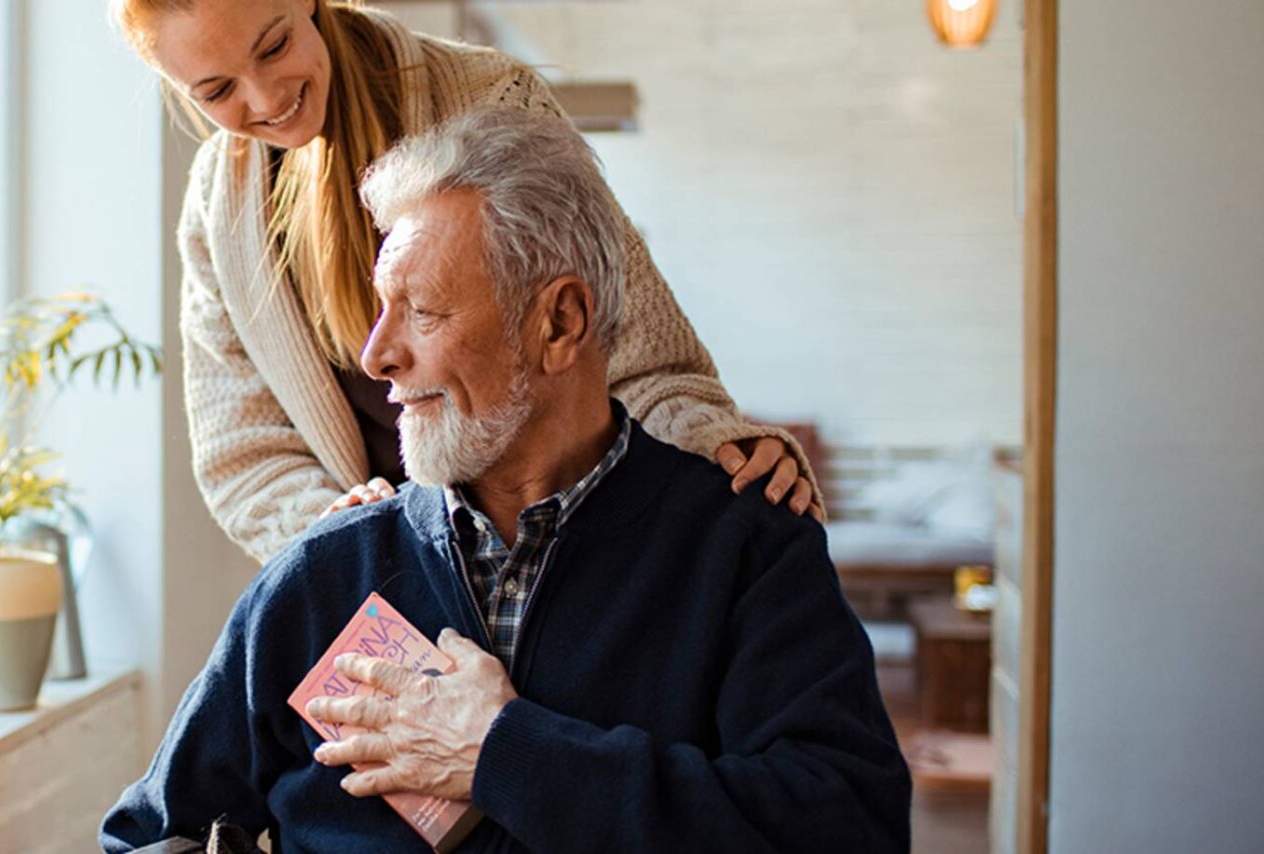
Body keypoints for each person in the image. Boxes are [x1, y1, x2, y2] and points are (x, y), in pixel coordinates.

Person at [99, 108, 910, 853]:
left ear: (559, 323)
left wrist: (505, 753)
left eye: (422, 311)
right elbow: (147, 835)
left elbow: (851, 829)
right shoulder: (324, 574)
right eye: (380, 310)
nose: (376, 355)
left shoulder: (748, 549)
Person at [115, 0, 823, 563]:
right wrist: (334, 534)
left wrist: (716, 445)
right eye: (216, 90)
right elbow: (245, 452)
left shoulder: (490, 97)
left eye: (273, 46)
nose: (266, 97)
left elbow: (628, 339)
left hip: (565, 542)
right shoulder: (218, 208)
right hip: (386, 577)